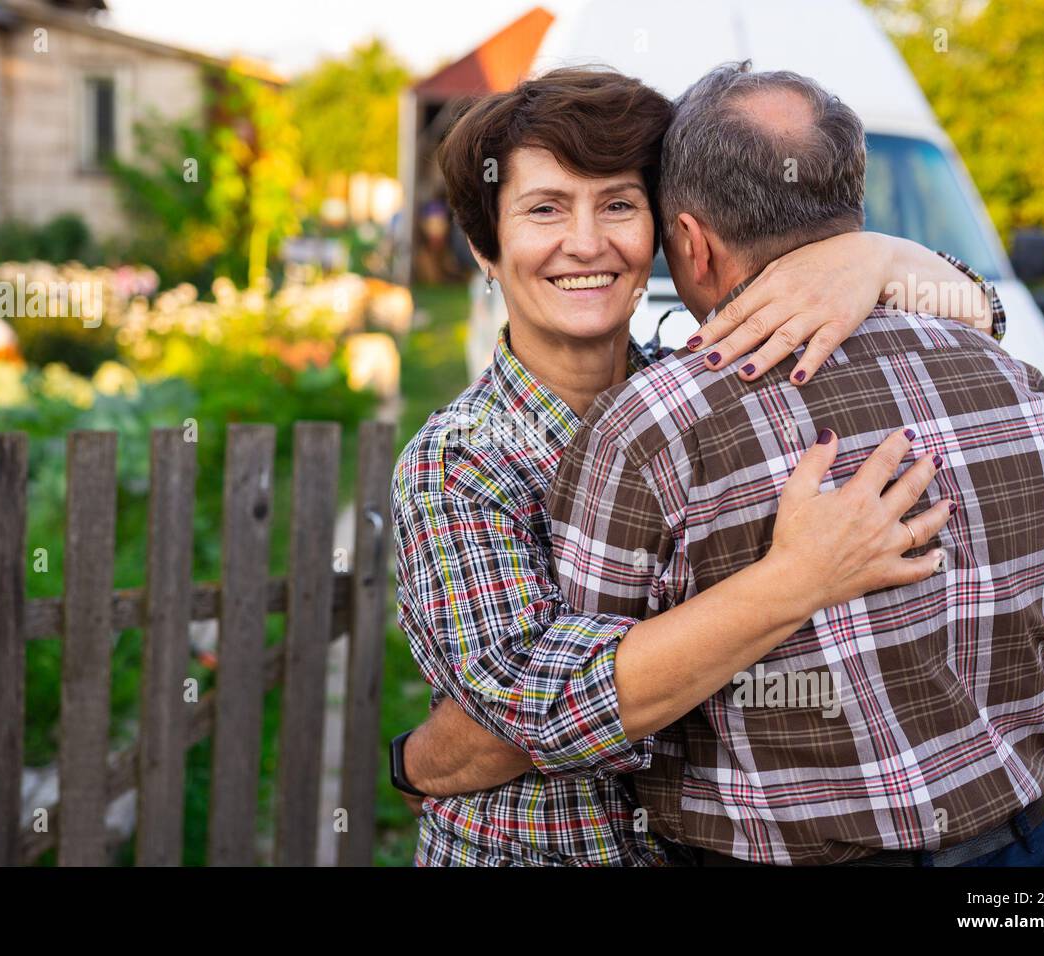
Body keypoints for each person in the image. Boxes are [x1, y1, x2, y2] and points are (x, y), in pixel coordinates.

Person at [392, 66, 1003, 866]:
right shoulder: (459, 457)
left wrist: (874, 258)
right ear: (486, 247)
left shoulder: (712, 386)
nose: (587, 242)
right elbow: (537, 707)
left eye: (618, 204)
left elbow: (982, 324)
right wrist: (798, 580)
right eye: (545, 210)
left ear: (665, 231)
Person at [546, 63, 1044, 866]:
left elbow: (590, 709)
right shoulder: (1014, 381)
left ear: (689, 241)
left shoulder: (650, 427)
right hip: (1019, 847)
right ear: (853, 212)